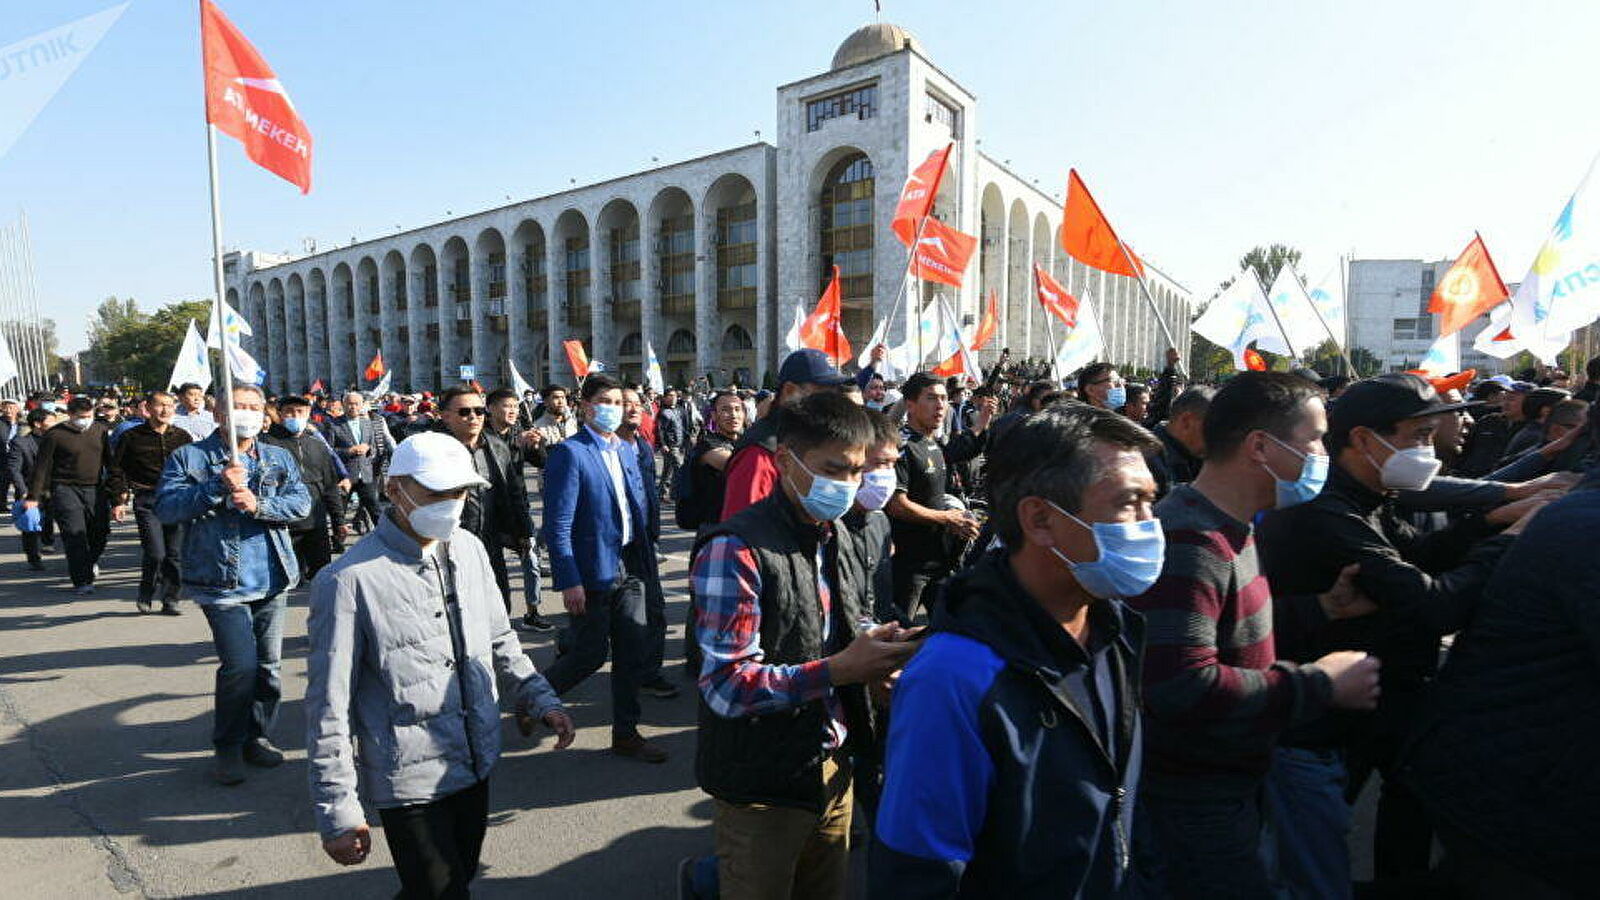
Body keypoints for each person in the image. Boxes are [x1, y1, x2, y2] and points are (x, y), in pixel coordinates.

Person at [1256, 373, 1550, 895]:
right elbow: (1432, 605)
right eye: (1416, 435)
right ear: (1365, 440)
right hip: (1322, 729)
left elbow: (1416, 559)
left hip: (1380, 708)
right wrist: (1511, 540)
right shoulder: (1326, 513)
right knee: (1310, 874)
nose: (1427, 448)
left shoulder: (1371, 497)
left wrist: (1487, 524)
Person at [871, 404, 1158, 898]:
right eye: (1128, 503)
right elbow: (917, 873)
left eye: (1152, 502)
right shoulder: (952, 678)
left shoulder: (1116, 630)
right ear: (1041, 519)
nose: (1149, 524)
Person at [1128, 372, 1382, 898]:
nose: (1323, 452)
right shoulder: (1192, 540)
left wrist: (1322, 609)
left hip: (1231, 787)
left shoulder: (1235, 525)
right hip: (1194, 804)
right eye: (1314, 437)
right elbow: (1179, 684)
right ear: (1261, 446)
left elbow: (1224, 634)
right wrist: (1317, 684)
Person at [305, 432, 575, 899]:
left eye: (460, 492)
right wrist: (339, 811)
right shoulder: (347, 580)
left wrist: (540, 697)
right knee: (442, 890)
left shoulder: (468, 548)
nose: (451, 504)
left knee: (455, 877)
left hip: (475, 758)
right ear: (395, 490)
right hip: (408, 777)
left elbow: (499, 637)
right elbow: (329, 706)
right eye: (436, 493)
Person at [693, 392, 916, 899]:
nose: (849, 485)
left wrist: (879, 651)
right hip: (761, 787)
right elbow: (727, 685)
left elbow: (850, 615)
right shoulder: (736, 548)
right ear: (784, 462)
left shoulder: (837, 532)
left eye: (857, 471)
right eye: (834, 470)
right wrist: (838, 670)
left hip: (835, 765)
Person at [1401, 488, 1599, 898]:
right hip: (1527, 801)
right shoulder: (1585, 526)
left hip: (1526, 781)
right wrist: (1499, 520)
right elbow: (1436, 601)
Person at [155, 383, 311, 785]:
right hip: (219, 581)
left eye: (254, 407)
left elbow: (301, 504)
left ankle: (256, 736)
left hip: (273, 577)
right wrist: (216, 486)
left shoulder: (277, 456)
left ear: (265, 414)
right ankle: (227, 744)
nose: (247, 413)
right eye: (238, 406)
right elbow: (168, 509)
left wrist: (260, 505)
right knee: (240, 666)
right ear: (219, 413)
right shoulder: (187, 457)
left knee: (268, 669)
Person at [541, 374, 665, 762]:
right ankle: (536, 698)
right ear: (586, 405)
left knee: (632, 651)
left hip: (630, 567)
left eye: (619, 401)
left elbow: (638, 508)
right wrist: (569, 579)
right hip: (593, 572)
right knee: (589, 655)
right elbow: (558, 525)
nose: (613, 409)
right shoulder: (571, 453)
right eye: (605, 401)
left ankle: (626, 733)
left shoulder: (628, 450)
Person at [885, 372, 994, 621]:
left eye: (944, 398)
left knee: (950, 633)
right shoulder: (901, 448)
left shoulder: (934, 444)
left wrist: (958, 520)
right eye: (932, 398)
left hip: (941, 562)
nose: (941, 405)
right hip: (909, 565)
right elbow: (897, 505)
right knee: (898, 641)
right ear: (910, 404)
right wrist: (947, 519)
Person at [720, 349, 854, 520]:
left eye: (836, 393)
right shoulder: (759, 454)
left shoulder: (804, 439)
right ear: (790, 391)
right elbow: (742, 529)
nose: (833, 401)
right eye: (824, 392)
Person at [437, 387, 531, 615]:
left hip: (490, 541)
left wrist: (523, 530)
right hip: (447, 544)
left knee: (498, 606)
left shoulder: (497, 446)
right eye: (465, 412)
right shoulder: (434, 450)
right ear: (446, 416)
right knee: (456, 609)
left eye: (479, 411)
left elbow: (514, 491)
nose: (473, 417)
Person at [106, 390, 193, 614]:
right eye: (160, 405)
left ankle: (171, 598)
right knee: (156, 552)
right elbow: (117, 469)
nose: (165, 410)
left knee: (174, 554)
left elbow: (194, 469)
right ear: (148, 408)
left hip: (176, 499)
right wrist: (118, 499)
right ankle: (146, 592)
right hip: (147, 499)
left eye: (169, 405)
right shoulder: (131, 437)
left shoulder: (182, 437)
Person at [616, 386, 677, 699]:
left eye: (636, 404)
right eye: (624, 404)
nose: (632, 408)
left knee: (654, 611)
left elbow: (649, 494)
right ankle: (571, 645)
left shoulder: (642, 445)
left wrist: (654, 534)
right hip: (616, 548)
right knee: (605, 623)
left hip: (644, 543)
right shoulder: (608, 448)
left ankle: (648, 673)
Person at [25, 396, 114, 594]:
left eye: (89, 416)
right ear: (70, 415)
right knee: (74, 534)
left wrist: (117, 494)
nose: (85, 420)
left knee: (100, 532)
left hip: (95, 489)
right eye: (81, 417)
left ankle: (89, 561)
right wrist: (33, 497)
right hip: (65, 489)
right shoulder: (55, 435)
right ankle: (82, 580)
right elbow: (41, 467)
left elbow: (111, 463)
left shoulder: (100, 431)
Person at [260, 395, 347, 581]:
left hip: (316, 522)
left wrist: (338, 520)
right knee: (288, 579)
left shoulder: (317, 446)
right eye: (289, 411)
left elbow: (330, 486)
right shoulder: (267, 444)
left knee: (322, 577)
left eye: (300, 411)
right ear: (280, 414)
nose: (295, 415)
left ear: (308, 414)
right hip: (284, 523)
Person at [326, 390, 391, 537]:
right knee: (339, 512)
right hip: (345, 476)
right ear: (343, 405)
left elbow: (374, 447)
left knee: (375, 509)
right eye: (349, 404)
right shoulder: (334, 424)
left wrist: (368, 449)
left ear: (362, 405)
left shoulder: (367, 424)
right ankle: (338, 541)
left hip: (365, 474)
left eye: (356, 404)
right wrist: (348, 451)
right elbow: (328, 451)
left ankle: (386, 537)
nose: (353, 407)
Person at [10, 406, 60, 569]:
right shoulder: (20, 443)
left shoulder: (57, 439)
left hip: (54, 488)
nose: (54, 423)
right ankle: (33, 557)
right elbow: (14, 469)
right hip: (30, 491)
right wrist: (23, 491)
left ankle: (48, 541)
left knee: (50, 519)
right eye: (51, 420)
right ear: (38, 424)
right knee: (30, 524)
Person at [1146, 385, 1212, 499]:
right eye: (1213, 427)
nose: (1217, 437)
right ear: (1186, 422)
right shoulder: (1147, 462)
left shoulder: (1201, 456)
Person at [655, 388, 687, 502]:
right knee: (679, 467)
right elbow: (660, 430)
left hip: (679, 444)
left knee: (667, 470)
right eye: (670, 396)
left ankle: (661, 492)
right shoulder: (663, 412)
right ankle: (677, 493)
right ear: (665, 398)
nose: (673, 398)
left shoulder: (680, 410)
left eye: (674, 395)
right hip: (670, 445)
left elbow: (684, 426)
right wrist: (663, 444)